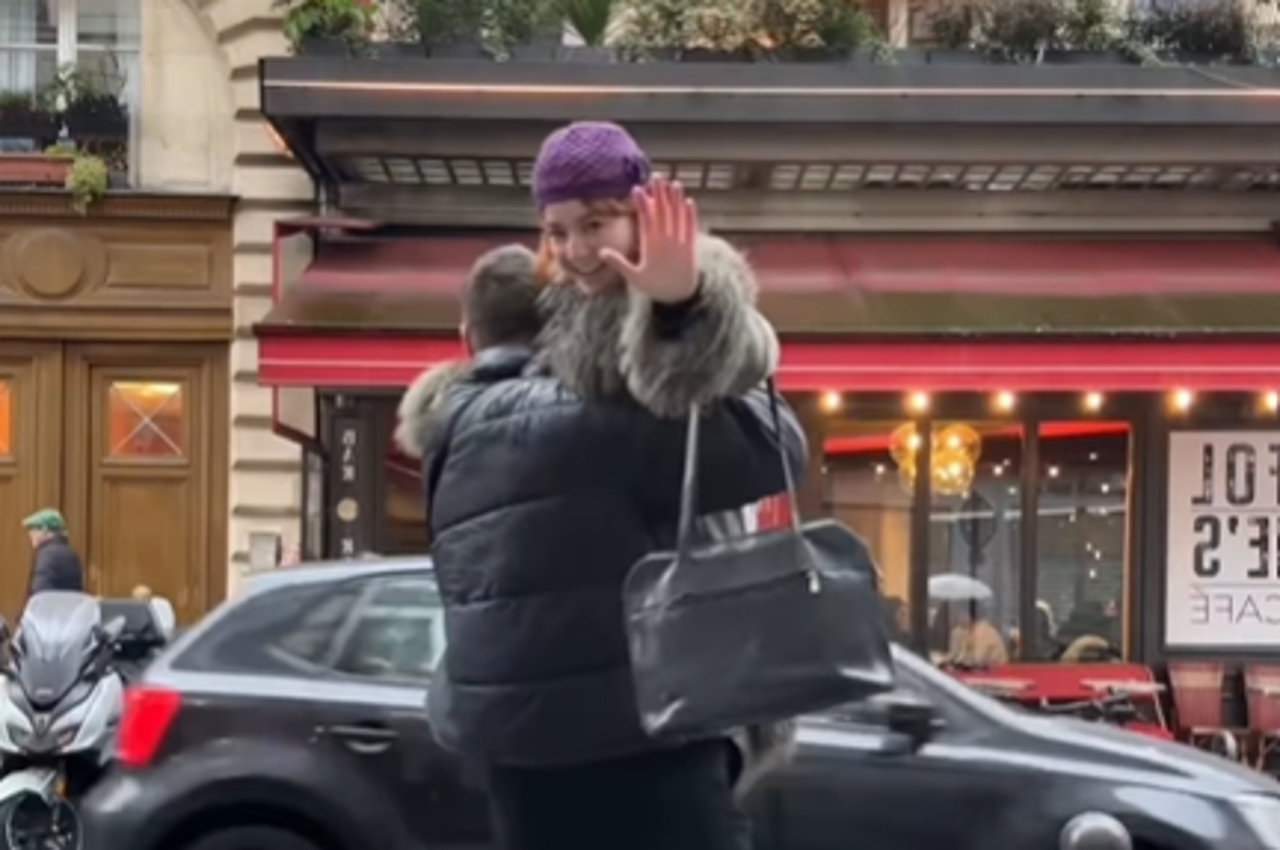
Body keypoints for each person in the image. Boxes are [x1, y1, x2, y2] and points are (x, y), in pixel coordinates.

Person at [401, 121, 806, 850]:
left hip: (526, 741)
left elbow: (743, 373)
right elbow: (771, 449)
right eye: (559, 231)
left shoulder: (461, 423)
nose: (577, 248)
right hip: (648, 725)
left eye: (594, 223)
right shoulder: (579, 396)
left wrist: (684, 304)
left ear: (641, 216)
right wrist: (682, 309)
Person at [23, 509, 84, 597]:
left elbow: (40, 594)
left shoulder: (47, 555)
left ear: (44, 530)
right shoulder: (72, 555)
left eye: (33, 529)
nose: (30, 534)